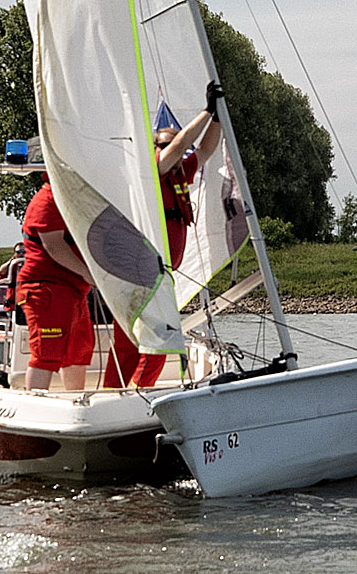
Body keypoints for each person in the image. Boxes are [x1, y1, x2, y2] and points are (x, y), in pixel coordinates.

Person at [102, 81, 224, 389]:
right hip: (141, 272)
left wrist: (219, 117)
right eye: (162, 144)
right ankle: (134, 393)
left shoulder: (181, 170)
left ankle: (121, 392)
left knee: (138, 341)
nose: (168, 148)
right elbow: (182, 145)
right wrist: (206, 110)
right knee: (158, 340)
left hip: (159, 274)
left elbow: (206, 147)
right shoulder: (151, 171)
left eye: (169, 142)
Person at [17, 177, 95, 392]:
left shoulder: (69, 199)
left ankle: (77, 400)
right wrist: (88, 274)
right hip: (46, 290)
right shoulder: (47, 201)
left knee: (78, 352)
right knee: (46, 354)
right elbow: (54, 246)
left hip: (74, 290)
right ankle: (35, 404)